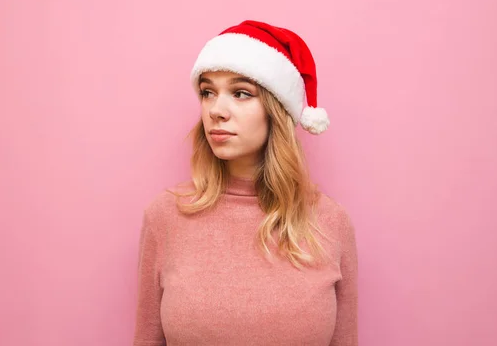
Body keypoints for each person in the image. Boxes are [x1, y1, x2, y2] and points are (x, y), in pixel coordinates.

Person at [132, 20, 358, 346]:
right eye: (207, 92)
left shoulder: (331, 222)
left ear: (276, 110)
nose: (216, 110)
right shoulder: (165, 217)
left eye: (241, 93)